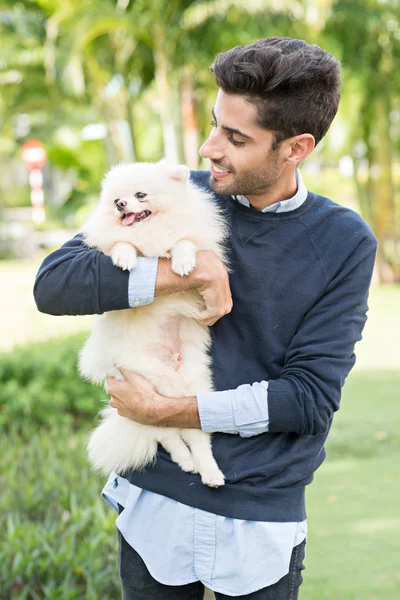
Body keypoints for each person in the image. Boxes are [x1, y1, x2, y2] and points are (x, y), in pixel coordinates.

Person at [34, 37, 377, 599]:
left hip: (259, 519)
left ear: (296, 147)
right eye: (217, 124)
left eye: (236, 138)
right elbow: (55, 283)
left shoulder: (343, 242)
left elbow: (308, 399)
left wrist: (171, 411)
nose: (208, 148)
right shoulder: (167, 197)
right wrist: (186, 274)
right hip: (154, 507)